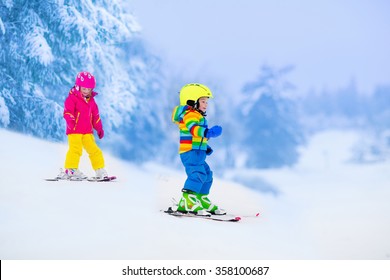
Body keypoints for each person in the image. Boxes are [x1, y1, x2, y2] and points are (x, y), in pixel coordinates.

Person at [171, 83, 226, 215]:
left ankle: (200, 199)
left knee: (207, 175)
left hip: (197, 152)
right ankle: (187, 201)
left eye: (206, 102)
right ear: (192, 101)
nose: (205, 105)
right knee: (197, 174)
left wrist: (205, 146)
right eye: (202, 101)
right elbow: (193, 129)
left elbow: (194, 137)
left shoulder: (197, 115)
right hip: (190, 152)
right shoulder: (190, 114)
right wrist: (208, 133)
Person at [57, 71, 108, 180]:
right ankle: (71, 170)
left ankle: (100, 170)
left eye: (89, 89)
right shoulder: (72, 98)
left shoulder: (92, 102)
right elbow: (67, 112)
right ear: (78, 86)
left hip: (87, 132)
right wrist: (70, 120)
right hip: (74, 130)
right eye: (84, 89)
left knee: (94, 150)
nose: (86, 91)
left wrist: (99, 128)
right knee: (76, 149)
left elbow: (95, 116)